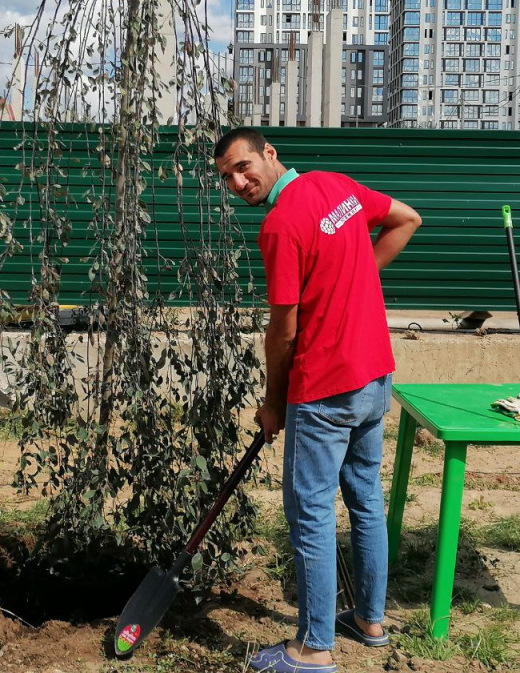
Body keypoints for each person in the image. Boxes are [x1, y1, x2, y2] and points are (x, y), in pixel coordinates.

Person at [214, 127, 422, 673]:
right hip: (375, 378)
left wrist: (272, 401)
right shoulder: (338, 187)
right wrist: (355, 282)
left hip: (326, 388)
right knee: (364, 499)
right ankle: (370, 621)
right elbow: (407, 218)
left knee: (309, 515)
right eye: (227, 177)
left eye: (243, 167)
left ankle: (312, 649)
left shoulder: (281, 225)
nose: (238, 182)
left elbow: (282, 329)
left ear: (270, 153)